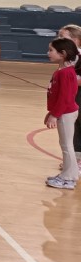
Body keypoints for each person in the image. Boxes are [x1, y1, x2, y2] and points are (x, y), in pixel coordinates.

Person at [43, 38, 80, 189]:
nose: (48, 53)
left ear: (63, 54)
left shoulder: (65, 73)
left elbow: (65, 98)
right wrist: (51, 112)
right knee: (65, 145)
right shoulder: (63, 71)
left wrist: (55, 114)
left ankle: (69, 178)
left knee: (67, 146)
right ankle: (68, 174)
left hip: (66, 114)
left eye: (51, 50)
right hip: (64, 113)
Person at [57, 24, 81, 167]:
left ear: (76, 39)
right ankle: (74, 159)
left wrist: (68, 81)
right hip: (72, 95)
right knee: (74, 127)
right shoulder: (68, 56)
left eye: (62, 37)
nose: (59, 39)